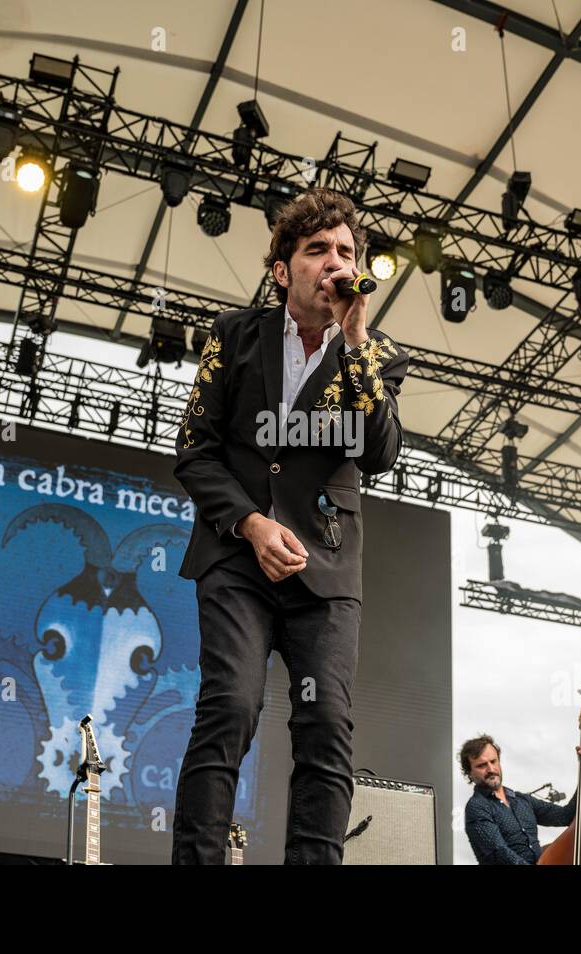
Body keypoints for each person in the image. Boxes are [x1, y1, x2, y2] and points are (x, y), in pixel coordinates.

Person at [171, 187, 409, 864]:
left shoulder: (377, 352)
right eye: (317, 251)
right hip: (236, 561)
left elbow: (380, 453)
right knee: (230, 708)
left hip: (325, 573)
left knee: (326, 725)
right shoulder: (233, 336)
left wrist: (356, 336)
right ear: (283, 271)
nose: (334, 262)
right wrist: (249, 523)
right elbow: (195, 451)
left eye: (345, 251)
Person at [460, 733, 581, 865]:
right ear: (469, 773)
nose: (490, 768)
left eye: (493, 761)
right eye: (482, 765)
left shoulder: (522, 800)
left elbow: (566, 816)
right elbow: (500, 853)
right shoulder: (477, 807)